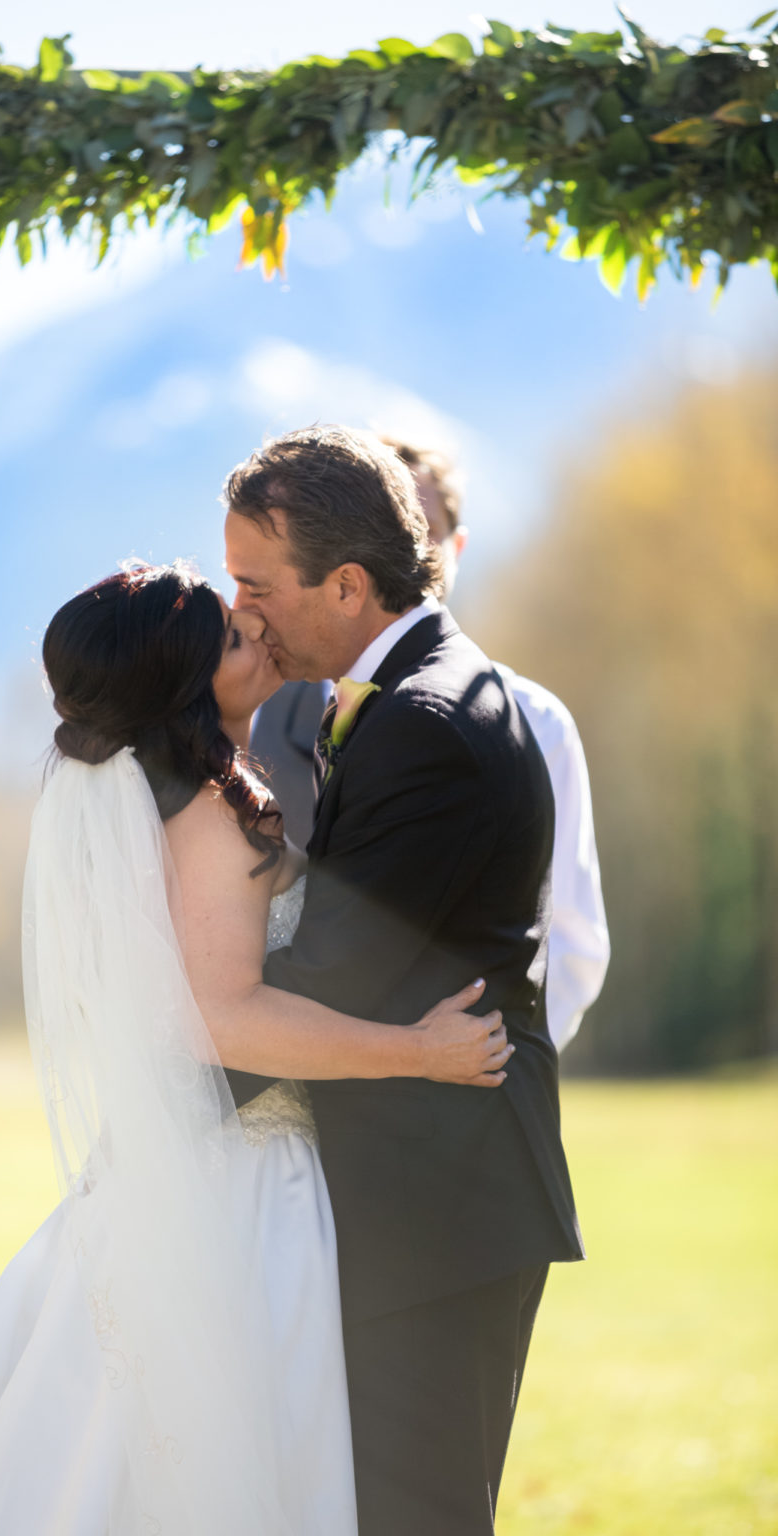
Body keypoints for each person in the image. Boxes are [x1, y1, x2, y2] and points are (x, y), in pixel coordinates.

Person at [0, 561, 512, 1536]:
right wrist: (417, 1049)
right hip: (239, 1190)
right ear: (190, 687)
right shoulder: (208, 817)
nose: (255, 626)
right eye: (236, 638)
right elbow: (222, 1021)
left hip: (170, 1169)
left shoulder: (148, 803)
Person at [224, 426, 585, 1536]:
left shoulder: (427, 724)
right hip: (419, 1197)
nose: (242, 612)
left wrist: (172, 1082)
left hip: (437, 1208)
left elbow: (332, 972)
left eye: (255, 584)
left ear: (346, 582)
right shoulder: (411, 696)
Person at [251, 436, 610, 1052]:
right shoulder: (271, 711)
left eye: (423, 529)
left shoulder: (531, 718)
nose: (401, 552)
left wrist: (500, 1059)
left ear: (455, 548)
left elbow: (570, 940)